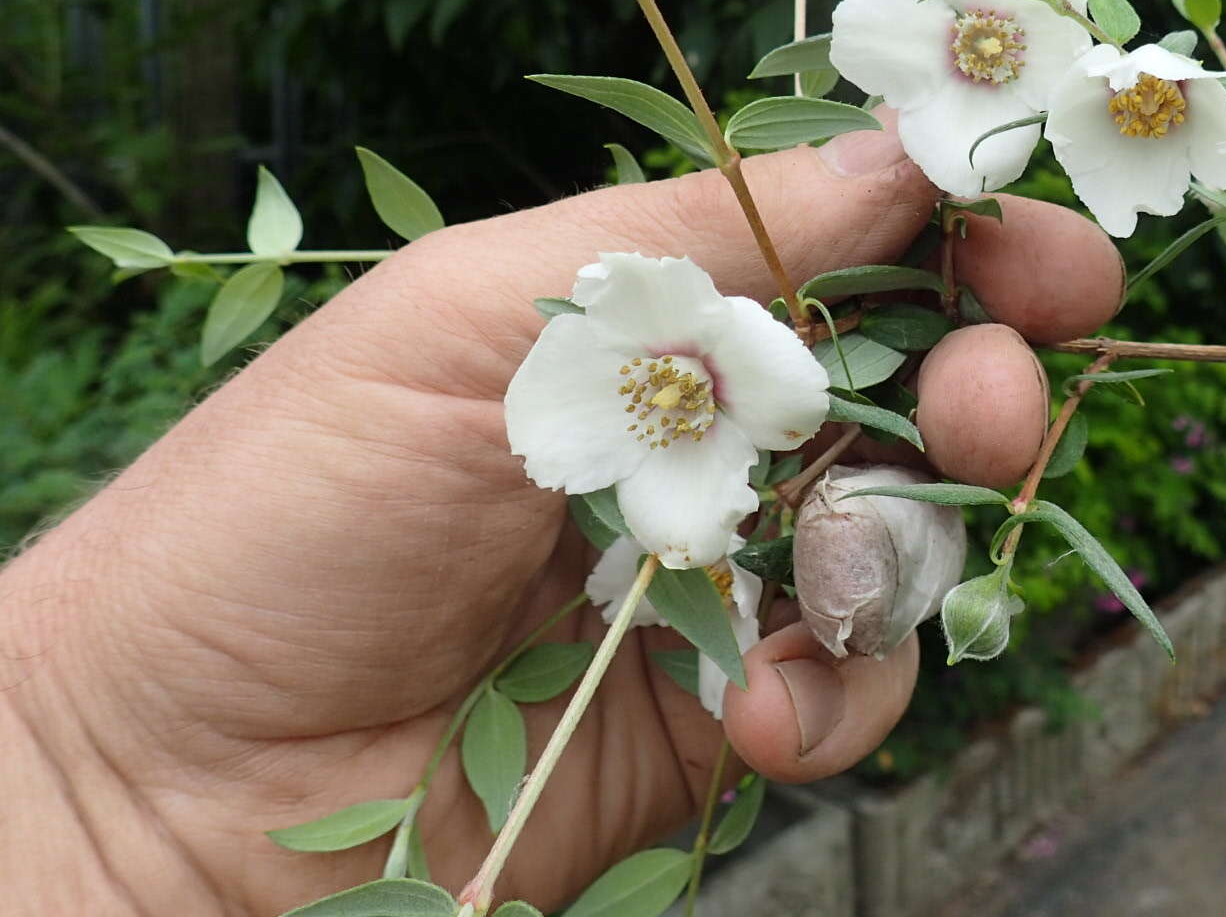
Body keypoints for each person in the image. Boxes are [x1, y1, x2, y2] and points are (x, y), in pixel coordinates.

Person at [0, 113, 1123, 913]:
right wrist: (76, 753)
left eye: (679, 382)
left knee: (949, 438)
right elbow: (618, 445)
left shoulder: (722, 365)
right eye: (664, 386)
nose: (674, 388)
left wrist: (86, 766)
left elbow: (764, 403)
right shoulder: (641, 372)